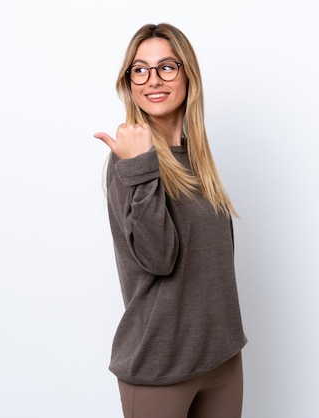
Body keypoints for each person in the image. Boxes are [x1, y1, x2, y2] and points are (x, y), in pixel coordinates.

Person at [93, 23, 248, 418]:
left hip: (221, 358)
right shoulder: (128, 163)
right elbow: (159, 258)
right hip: (160, 367)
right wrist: (141, 167)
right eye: (139, 70)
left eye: (166, 67)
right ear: (128, 82)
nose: (152, 80)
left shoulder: (197, 158)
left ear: (187, 75)